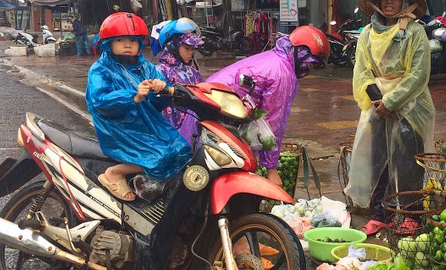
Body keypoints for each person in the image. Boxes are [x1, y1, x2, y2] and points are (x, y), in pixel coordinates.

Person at [345, 0, 435, 236]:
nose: (389, 1)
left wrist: (393, 101)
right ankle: (380, 213)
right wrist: (379, 101)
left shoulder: (415, 32)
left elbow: (418, 74)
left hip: (411, 106)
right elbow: (361, 71)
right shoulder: (366, 34)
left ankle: (410, 214)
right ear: (376, 1)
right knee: (379, 159)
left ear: (405, 1)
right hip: (377, 107)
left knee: (408, 160)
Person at [85, 12, 192, 202]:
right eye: (120, 40)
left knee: (182, 149)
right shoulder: (100, 70)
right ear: (108, 43)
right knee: (161, 154)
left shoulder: (146, 67)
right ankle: (115, 173)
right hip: (119, 128)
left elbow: (159, 102)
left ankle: (155, 186)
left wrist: (162, 90)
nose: (128, 45)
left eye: (133, 41)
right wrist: (133, 97)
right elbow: (100, 102)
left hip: (147, 124)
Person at [208, 26, 330, 187]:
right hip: (215, 115)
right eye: (310, 64)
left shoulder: (274, 58)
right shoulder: (282, 73)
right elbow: (272, 122)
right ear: (301, 53)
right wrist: (271, 168)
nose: (308, 70)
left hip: (212, 109)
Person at [154, 18, 206, 148]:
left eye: (192, 49)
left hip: (195, 126)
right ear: (173, 46)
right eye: (187, 48)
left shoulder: (192, 70)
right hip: (172, 132)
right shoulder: (160, 71)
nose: (191, 53)